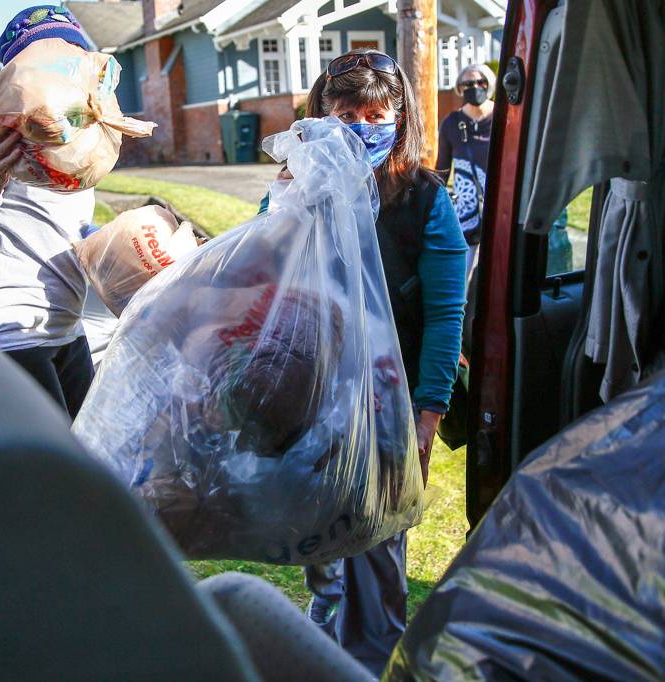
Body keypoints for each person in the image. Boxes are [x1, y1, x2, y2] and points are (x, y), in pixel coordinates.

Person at [274, 50, 465, 676]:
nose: (362, 126)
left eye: (377, 114)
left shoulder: (424, 199)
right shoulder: (296, 190)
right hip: (313, 397)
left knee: (378, 551)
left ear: (399, 118)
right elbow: (262, 283)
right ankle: (324, 645)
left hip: (390, 406)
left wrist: (429, 413)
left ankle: (371, 660)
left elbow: (444, 315)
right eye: (346, 113)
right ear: (321, 116)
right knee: (324, 548)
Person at [0, 5, 96, 418]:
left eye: (70, 58)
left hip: (65, 326)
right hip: (6, 333)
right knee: (55, 476)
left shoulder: (80, 143)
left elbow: (66, 230)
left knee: (98, 458)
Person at [436, 64, 496, 278]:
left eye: (481, 82)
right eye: (469, 83)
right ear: (460, 88)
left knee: (498, 272)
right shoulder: (452, 123)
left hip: (500, 207)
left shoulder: (502, 118)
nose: (476, 87)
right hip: (466, 210)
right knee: (462, 275)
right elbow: (442, 169)